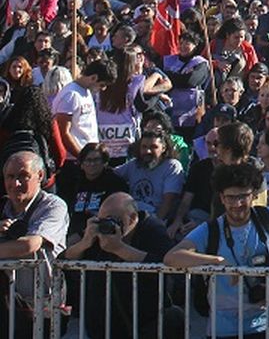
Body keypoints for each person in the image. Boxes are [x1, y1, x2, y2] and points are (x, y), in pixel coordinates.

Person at [164, 161, 269, 338]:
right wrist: (215, 261)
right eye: (230, 197)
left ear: (254, 195)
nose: (237, 203)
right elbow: (171, 258)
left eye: (243, 196)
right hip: (224, 327)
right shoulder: (210, 230)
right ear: (222, 198)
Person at [60, 191, 184, 339]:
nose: (109, 225)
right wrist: (84, 243)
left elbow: (167, 262)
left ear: (132, 219)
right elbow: (64, 260)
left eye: (115, 220)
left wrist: (120, 249)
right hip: (103, 320)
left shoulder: (152, 229)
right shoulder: (98, 231)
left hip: (144, 317)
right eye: (103, 219)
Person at [0, 151, 69, 337]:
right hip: (6, 306)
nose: (15, 184)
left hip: (42, 307)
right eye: (10, 177)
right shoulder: (2, 207)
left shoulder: (53, 206)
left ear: (39, 176)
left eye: (23, 176)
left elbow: (29, 245)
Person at [54, 142, 128, 237]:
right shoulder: (73, 182)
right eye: (88, 160)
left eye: (96, 160)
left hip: (102, 232)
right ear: (81, 163)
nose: (92, 164)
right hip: (73, 230)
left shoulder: (115, 183)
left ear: (104, 162)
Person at [52, 59, 116, 160]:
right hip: (74, 159)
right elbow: (63, 132)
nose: (103, 89)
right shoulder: (71, 95)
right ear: (94, 77)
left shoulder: (86, 92)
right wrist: (82, 158)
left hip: (89, 156)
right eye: (102, 85)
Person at [119, 128, 185, 221]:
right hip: (131, 216)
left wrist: (156, 225)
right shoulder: (134, 164)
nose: (147, 151)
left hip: (154, 218)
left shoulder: (172, 166)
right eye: (144, 147)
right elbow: (111, 174)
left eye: (153, 147)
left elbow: (168, 202)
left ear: (163, 148)